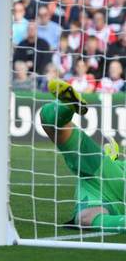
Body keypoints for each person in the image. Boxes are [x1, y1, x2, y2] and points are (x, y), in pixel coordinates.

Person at [40, 79, 126, 232]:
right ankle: (68, 104)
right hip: (103, 177)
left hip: (110, 174)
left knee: (48, 120)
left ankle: (67, 105)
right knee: (85, 218)